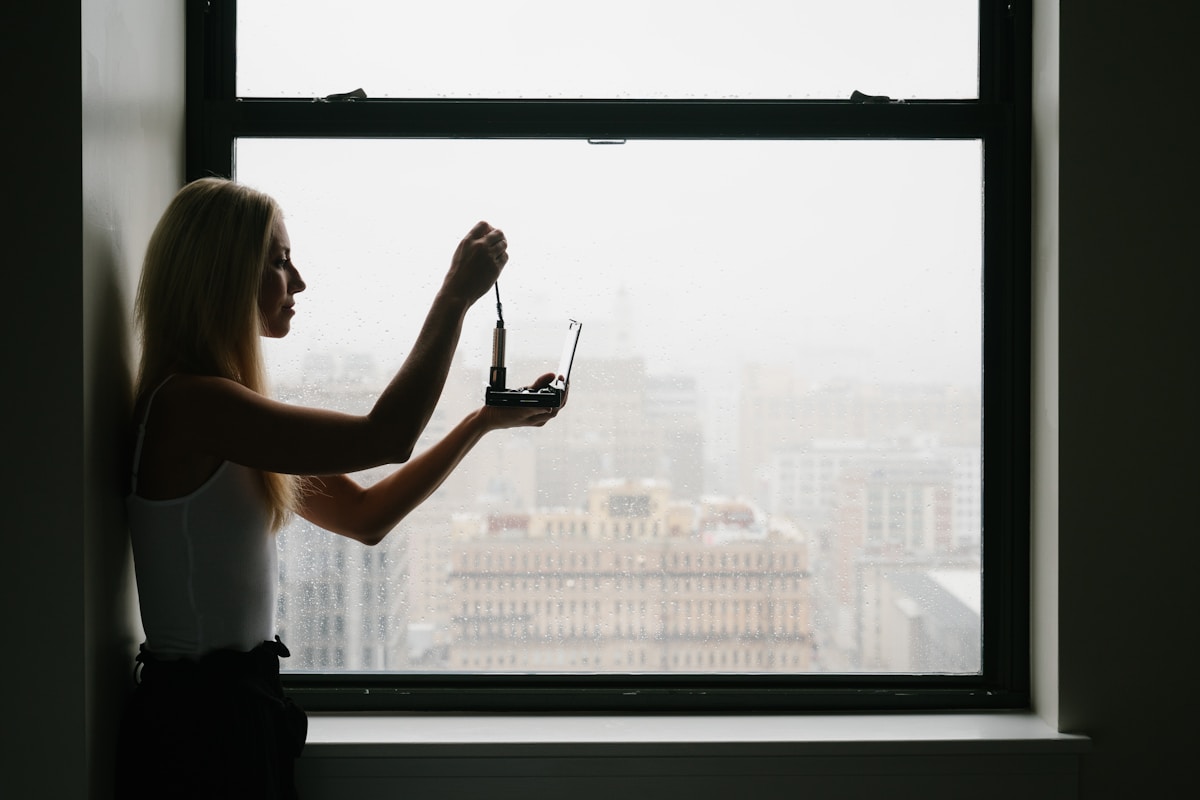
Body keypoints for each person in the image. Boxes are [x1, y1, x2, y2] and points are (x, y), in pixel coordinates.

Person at [115, 177, 565, 798]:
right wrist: (455, 297)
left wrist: (481, 422)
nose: (297, 282)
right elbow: (387, 436)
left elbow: (365, 516)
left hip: (226, 713)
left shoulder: (218, 412)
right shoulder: (194, 406)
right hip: (203, 728)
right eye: (279, 261)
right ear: (224, 277)